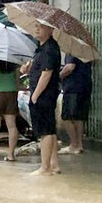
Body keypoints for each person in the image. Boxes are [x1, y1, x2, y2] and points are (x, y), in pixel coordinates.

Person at [26, 21, 62, 175]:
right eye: (36, 26)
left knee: (45, 132)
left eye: (40, 26)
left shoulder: (49, 49)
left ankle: (45, 167)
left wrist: (34, 96)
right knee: (50, 130)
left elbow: (46, 74)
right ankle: (53, 164)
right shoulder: (43, 48)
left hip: (43, 95)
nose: (37, 29)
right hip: (44, 95)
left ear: (50, 29)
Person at [60, 53, 92, 153]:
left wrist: (59, 76)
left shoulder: (73, 51)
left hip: (72, 87)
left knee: (67, 117)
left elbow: (70, 67)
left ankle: (73, 144)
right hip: (85, 86)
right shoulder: (85, 51)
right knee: (79, 117)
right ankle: (79, 145)